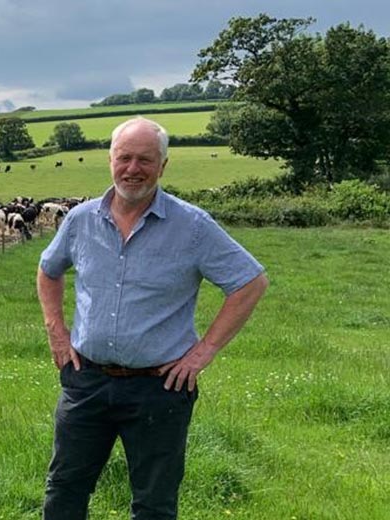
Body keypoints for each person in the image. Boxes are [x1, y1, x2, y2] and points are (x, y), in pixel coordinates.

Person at [36, 117, 269, 520]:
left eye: (145, 159)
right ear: (110, 160)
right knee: (65, 488)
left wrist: (202, 353)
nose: (133, 169)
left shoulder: (192, 226)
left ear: (163, 166)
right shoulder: (81, 220)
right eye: (124, 157)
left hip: (158, 388)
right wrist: (57, 333)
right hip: (86, 381)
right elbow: (49, 270)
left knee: (155, 503)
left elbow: (250, 282)